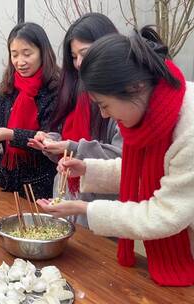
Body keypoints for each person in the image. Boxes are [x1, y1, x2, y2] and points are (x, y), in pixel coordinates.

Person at [37, 27, 194, 299]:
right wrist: (88, 168)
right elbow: (148, 171)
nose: (104, 115)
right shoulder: (160, 106)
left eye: (104, 104)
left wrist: (87, 209)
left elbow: (164, 214)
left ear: (135, 87)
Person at [27, 13, 122, 227]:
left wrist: (71, 147)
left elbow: (123, 161)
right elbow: (64, 134)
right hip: (67, 197)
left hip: (100, 210)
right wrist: (51, 142)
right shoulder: (74, 88)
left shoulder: (121, 96)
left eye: (85, 53)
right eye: (73, 56)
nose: (78, 63)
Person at [0, 22, 60, 199]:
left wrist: (11, 135)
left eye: (27, 54)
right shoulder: (10, 84)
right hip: (7, 178)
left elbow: (50, 138)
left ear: (43, 52)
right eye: (14, 54)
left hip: (40, 184)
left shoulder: (55, 88)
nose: (20, 62)